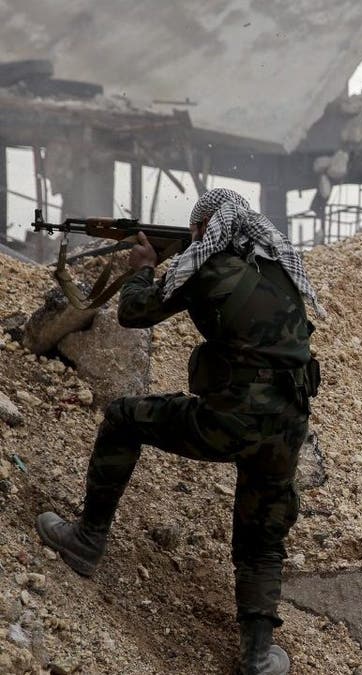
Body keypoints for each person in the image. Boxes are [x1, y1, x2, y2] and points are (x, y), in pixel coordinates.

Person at [35, 188, 323, 675]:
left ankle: (86, 541)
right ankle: (257, 657)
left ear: (204, 230)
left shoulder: (203, 267)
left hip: (230, 420)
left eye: (196, 231)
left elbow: (133, 313)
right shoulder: (276, 263)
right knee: (262, 536)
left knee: (124, 418)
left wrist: (146, 265)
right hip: (288, 424)